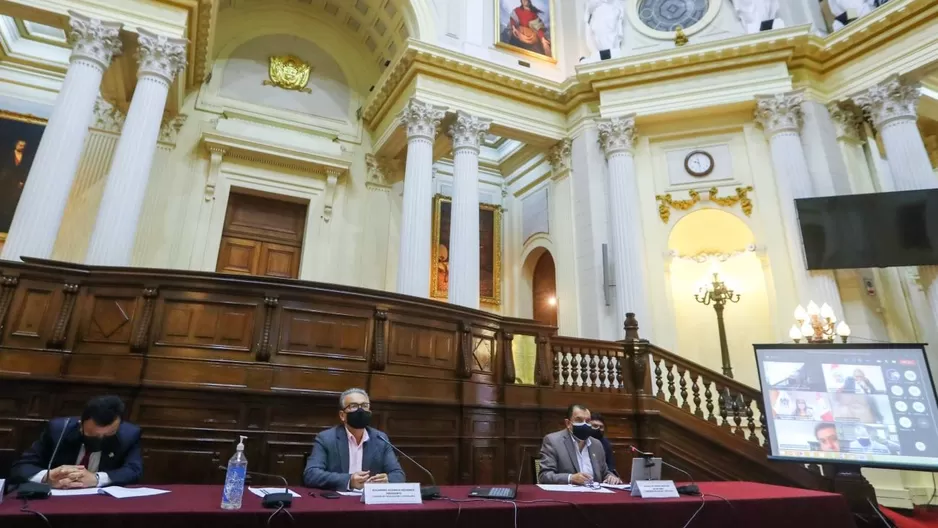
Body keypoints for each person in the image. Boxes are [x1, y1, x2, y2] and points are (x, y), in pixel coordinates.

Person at [9, 395, 143, 488]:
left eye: (108, 434)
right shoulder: (58, 430)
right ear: (81, 424)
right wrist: (47, 477)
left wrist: (96, 479)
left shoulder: (129, 435)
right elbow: (21, 467)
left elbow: (133, 471)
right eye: (93, 434)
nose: (100, 439)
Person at [303, 388, 406, 490]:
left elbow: (398, 474)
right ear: (342, 415)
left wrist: (387, 480)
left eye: (365, 406)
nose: (360, 410)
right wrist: (349, 480)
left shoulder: (380, 439)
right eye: (354, 406)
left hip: (370, 501)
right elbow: (311, 474)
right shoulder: (326, 438)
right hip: (338, 501)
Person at [538, 404, 621, 485]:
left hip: (594, 495)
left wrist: (611, 477)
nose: (584, 424)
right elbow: (544, 476)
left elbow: (605, 472)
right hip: (566, 496)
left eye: (588, 421)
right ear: (568, 423)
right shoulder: (553, 441)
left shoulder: (596, 444)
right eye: (579, 420)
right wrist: (570, 478)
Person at [0, 139, 30, 232]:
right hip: (4, 180)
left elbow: (24, 170)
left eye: (23, 146)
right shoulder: (8, 154)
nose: (21, 147)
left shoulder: (24, 158)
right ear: (16, 144)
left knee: (11, 201)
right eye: (20, 145)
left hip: (15, 182)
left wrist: (21, 180)